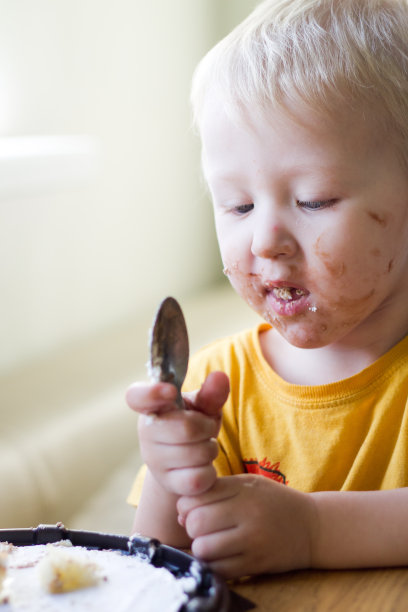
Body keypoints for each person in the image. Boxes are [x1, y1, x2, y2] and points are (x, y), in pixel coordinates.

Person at [126, 0, 408, 579]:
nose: (265, 240)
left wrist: (314, 530)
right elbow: (156, 571)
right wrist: (167, 472)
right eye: (238, 205)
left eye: (314, 200)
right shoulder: (213, 390)